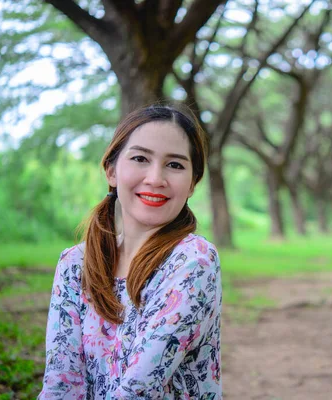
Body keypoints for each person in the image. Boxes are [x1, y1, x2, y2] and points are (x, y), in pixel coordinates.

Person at [38, 104, 222, 399]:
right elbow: (61, 381)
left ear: (192, 184)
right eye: (140, 158)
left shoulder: (193, 259)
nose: (155, 178)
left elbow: (140, 388)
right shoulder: (74, 264)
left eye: (175, 165)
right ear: (111, 170)